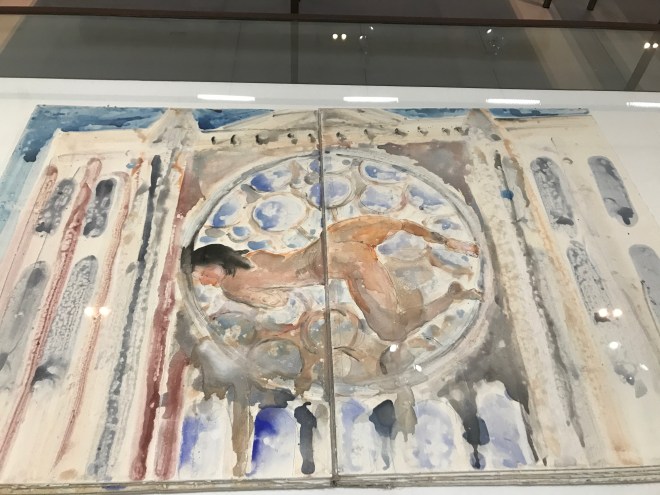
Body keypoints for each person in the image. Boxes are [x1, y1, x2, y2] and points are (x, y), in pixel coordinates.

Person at [190, 215, 481, 342]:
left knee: (392, 331)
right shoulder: (252, 256)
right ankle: (453, 245)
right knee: (399, 224)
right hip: (332, 240)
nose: (204, 281)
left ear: (215, 259)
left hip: (335, 264)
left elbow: (278, 302)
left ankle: (452, 295)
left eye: (203, 273)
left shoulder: (232, 287)